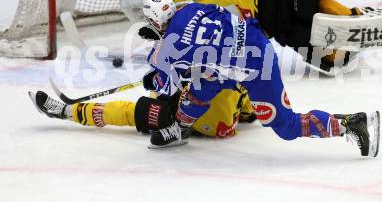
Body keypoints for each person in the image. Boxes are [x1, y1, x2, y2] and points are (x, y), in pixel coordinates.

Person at [132, 0, 380, 155]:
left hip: (254, 69)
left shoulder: (166, 50)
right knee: (202, 82)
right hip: (253, 43)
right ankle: (179, 129)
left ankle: (348, 124)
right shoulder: (193, 6)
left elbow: (164, 87)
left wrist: (152, 75)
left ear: (153, 21)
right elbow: (230, 12)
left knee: (285, 126)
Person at [153, 0, 364, 71]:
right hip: (272, 26)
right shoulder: (196, 23)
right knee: (333, 61)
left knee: (313, 2)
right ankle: (355, 38)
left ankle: (352, 18)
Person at [28, 84, 256, 139]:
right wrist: (246, 113)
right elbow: (247, 102)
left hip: (189, 117)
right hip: (218, 126)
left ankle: (67, 111)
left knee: (130, 111)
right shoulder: (239, 67)